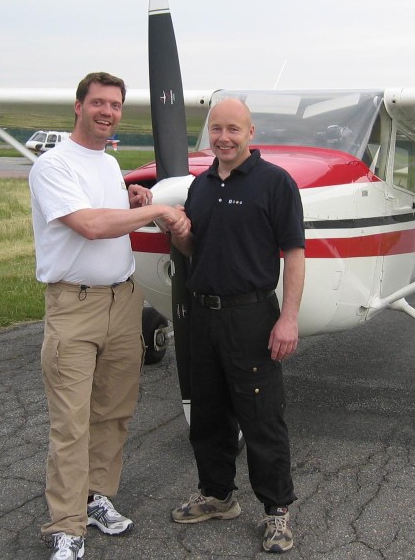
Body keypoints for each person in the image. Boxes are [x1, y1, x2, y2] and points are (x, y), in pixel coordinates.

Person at [29, 72, 188, 560]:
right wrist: (157, 211)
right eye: (98, 103)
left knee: (114, 413)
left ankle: (96, 497)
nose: (107, 112)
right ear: (78, 107)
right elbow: (91, 225)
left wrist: (131, 198)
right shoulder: (52, 166)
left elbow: (108, 210)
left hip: (124, 301)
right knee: (71, 422)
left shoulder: (110, 164)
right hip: (74, 306)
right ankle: (66, 526)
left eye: (115, 105)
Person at [169, 98, 305, 553]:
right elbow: (195, 249)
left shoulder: (275, 183)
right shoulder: (201, 185)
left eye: (233, 129)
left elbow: (295, 253)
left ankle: (277, 511)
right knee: (208, 413)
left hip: (251, 315)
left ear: (250, 132)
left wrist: (288, 318)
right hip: (203, 315)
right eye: (216, 129)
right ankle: (217, 495)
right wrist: (180, 234)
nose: (223, 138)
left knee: (261, 416)